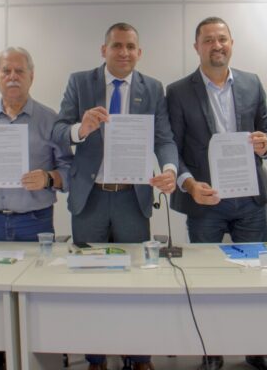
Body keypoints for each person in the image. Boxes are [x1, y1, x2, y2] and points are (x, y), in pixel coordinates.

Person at [53, 22, 177, 370]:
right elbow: (59, 130)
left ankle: (139, 357)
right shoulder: (80, 82)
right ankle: (96, 358)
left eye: (130, 47)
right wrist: (81, 129)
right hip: (90, 198)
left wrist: (169, 170)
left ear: (139, 52)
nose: (124, 53)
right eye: (117, 46)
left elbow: (164, 138)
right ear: (103, 50)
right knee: (89, 281)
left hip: (131, 199)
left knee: (138, 282)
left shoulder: (152, 88)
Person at [166, 16, 267, 370]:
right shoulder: (178, 91)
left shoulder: (251, 82)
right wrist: (188, 184)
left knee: (255, 277)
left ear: (231, 43)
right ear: (196, 47)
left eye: (222, 39)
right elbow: (172, 146)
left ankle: (257, 349)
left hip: (249, 199)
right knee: (207, 278)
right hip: (205, 200)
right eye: (208, 40)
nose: (216, 45)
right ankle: (211, 351)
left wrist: (265, 144)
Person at [0, 47, 72, 370]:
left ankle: (40, 350)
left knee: (38, 291)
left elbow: (69, 171)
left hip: (34, 222)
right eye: (6, 71)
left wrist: (48, 178)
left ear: (32, 76)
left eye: (20, 71)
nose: (13, 77)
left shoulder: (51, 120)